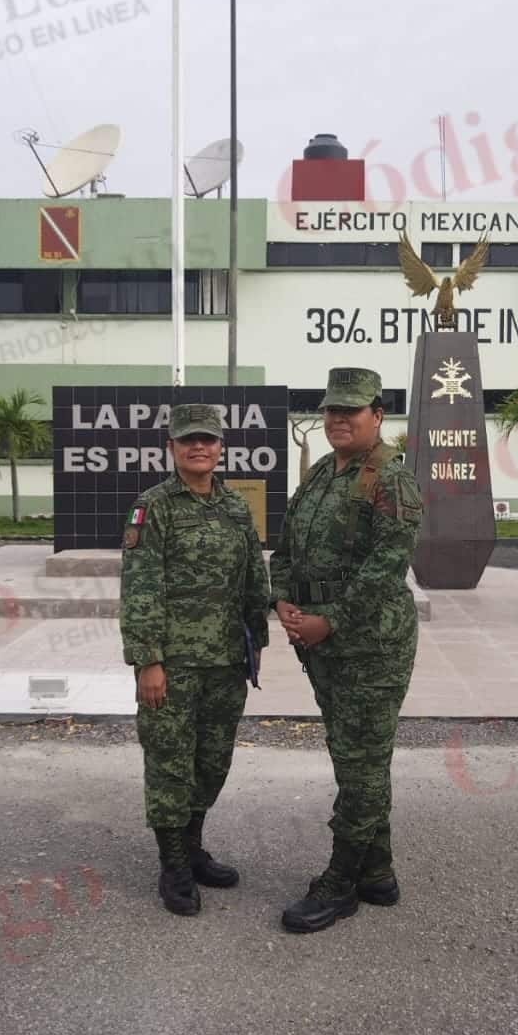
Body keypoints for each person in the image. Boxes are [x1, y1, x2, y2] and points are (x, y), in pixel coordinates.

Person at [270, 368, 422, 933]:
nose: (338, 419)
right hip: (322, 644)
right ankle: (377, 872)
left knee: (360, 766)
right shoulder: (318, 476)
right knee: (352, 755)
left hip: (370, 646)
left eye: (351, 411)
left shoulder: (390, 480)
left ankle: (340, 884)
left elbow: (386, 569)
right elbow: (285, 546)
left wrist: (328, 621)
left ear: (377, 416)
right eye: (332, 409)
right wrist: (282, 599)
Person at [120, 402, 272, 916]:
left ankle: (193, 844)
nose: (199, 447)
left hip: (226, 662)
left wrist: (257, 644)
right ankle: (173, 865)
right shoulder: (154, 507)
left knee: (211, 761)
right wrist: (148, 662)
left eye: (207, 439)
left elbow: (254, 577)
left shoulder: (234, 507)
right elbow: (141, 588)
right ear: (172, 449)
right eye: (188, 440)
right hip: (175, 665)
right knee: (169, 763)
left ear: (220, 447)